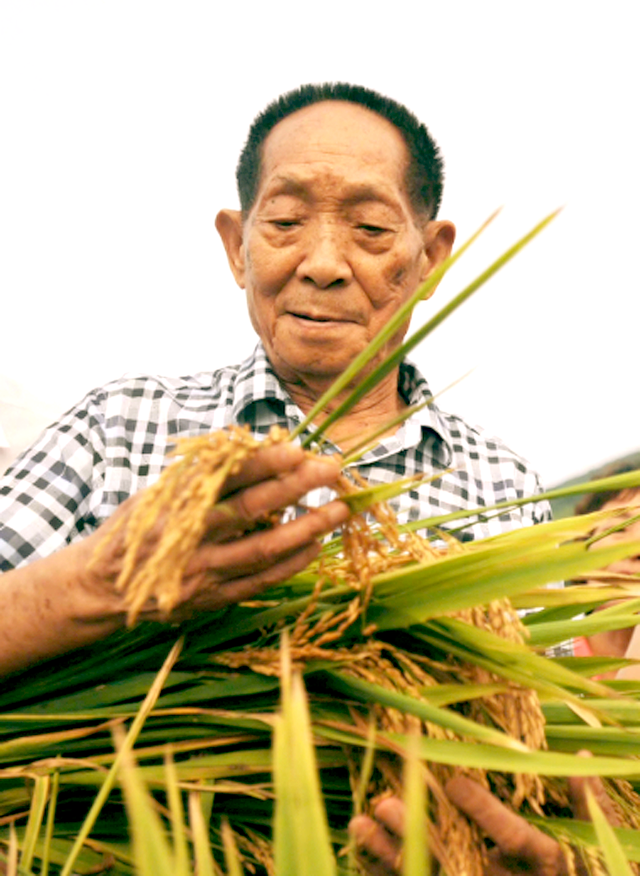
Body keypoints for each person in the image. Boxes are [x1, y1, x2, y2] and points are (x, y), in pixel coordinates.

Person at [1, 82, 581, 875]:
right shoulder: (123, 427)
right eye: (284, 223)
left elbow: (574, 784)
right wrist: (97, 583)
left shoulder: (503, 493)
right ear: (236, 245)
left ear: (432, 257)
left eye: (372, 229)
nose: (323, 264)